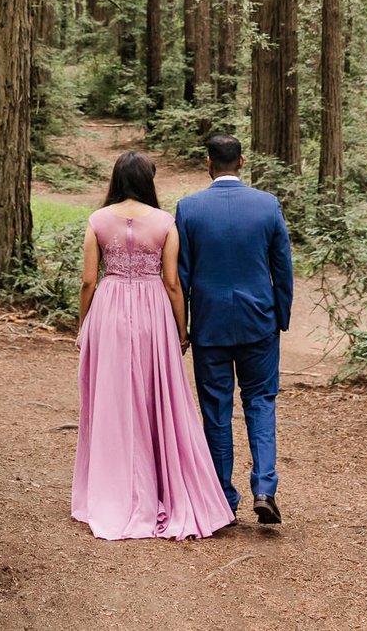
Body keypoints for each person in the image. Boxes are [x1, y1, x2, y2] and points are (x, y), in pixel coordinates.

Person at [71, 150, 235, 541]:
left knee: (112, 397)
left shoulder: (97, 220)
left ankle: (113, 488)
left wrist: (83, 325)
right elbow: (173, 282)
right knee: (156, 395)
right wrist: (181, 330)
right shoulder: (164, 222)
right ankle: (160, 485)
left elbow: (89, 281)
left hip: (109, 311)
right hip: (152, 312)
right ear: (148, 180)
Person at [176, 134, 294, 525]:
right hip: (259, 321)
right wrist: (281, 316)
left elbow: (181, 274)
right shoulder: (267, 205)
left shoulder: (188, 209)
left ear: (208, 162)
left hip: (210, 325)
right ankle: (264, 487)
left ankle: (224, 499)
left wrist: (183, 326)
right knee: (261, 402)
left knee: (217, 410)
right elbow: (283, 268)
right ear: (242, 162)